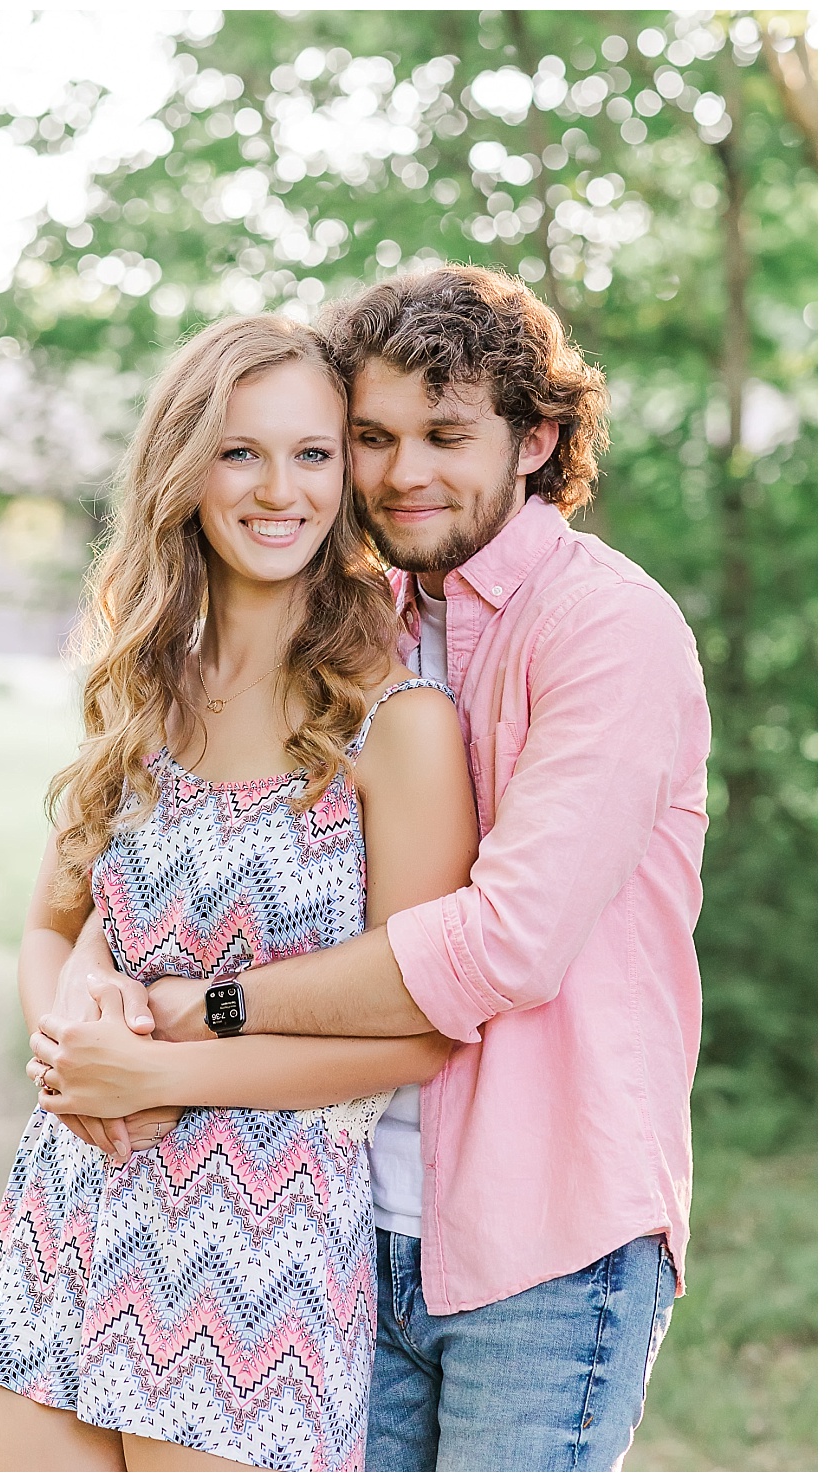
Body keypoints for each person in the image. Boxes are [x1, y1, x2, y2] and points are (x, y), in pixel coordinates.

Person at [92, 266, 710, 1470]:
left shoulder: (605, 628)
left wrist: (205, 1013)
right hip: (335, 1217)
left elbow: (504, 945)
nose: (401, 473)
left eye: (445, 434)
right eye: (370, 437)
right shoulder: (358, 625)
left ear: (534, 440)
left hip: (546, 1234)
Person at [0, 314, 479, 1472]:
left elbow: (418, 1030)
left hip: (259, 1252)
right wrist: (70, 1029)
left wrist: (160, 1068)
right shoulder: (139, 686)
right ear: (185, 469)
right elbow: (51, 926)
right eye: (240, 452)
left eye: (311, 453)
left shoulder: (396, 726)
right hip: (68, 1206)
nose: (278, 489)